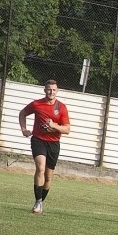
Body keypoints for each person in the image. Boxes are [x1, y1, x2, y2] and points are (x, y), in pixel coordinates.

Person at [18, 79, 71, 214]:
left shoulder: (61, 107)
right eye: (49, 89)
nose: (51, 92)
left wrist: (54, 126)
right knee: (40, 168)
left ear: (57, 91)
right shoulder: (37, 104)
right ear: (44, 90)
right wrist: (24, 129)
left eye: (53, 90)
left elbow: (67, 129)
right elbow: (22, 113)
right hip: (38, 140)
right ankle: (37, 202)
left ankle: (41, 201)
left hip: (53, 143)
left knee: (48, 177)